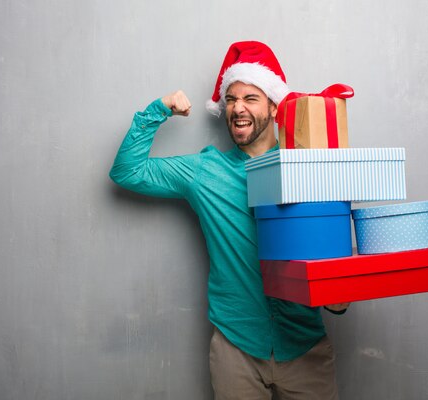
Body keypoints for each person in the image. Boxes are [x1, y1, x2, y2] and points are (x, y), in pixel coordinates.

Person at [110, 41, 349, 400]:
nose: (237, 108)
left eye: (250, 98)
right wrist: (159, 109)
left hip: (305, 348)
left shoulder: (307, 165)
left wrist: (339, 286)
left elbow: (332, 235)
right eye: (232, 99)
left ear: (273, 105)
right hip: (236, 350)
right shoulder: (205, 172)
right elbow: (127, 171)